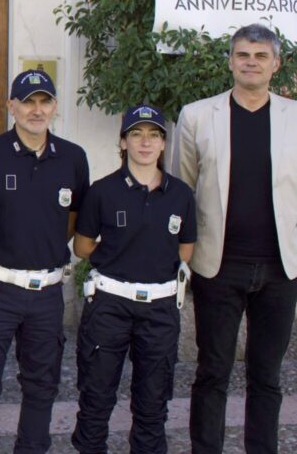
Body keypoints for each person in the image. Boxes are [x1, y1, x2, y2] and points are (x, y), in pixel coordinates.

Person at [173, 24, 297, 454]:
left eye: (260, 55)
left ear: (276, 63)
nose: (251, 62)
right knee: (212, 371)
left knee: (267, 375)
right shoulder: (198, 115)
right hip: (218, 265)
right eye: (243, 55)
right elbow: (186, 186)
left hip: (280, 268)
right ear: (231, 61)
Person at [0, 69, 91, 454]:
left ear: (54, 107)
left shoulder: (73, 158)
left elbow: (74, 218)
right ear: (10, 107)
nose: (36, 110)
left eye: (44, 101)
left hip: (47, 293)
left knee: (42, 385)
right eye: (27, 102)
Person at [71, 104, 196, 454]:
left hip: (159, 309)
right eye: (137, 135)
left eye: (153, 135)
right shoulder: (102, 191)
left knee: (153, 402)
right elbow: (83, 246)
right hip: (109, 305)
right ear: (123, 142)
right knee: (96, 396)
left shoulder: (181, 194)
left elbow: (186, 249)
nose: (145, 143)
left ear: (163, 144)